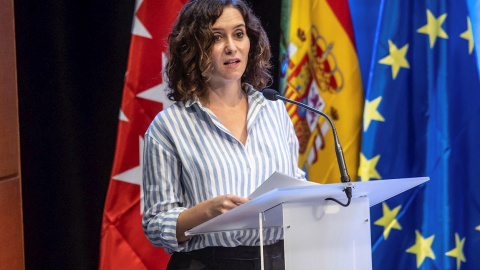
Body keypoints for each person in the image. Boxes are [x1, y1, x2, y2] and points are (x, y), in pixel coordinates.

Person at [142, 0, 305, 268]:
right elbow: (156, 224)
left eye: (239, 34)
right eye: (217, 37)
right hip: (209, 262)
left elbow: (293, 183)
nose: (232, 46)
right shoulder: (169, 127)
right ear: (192, 49)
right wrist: (206, 212)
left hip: (279, 259)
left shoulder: (275, 112)